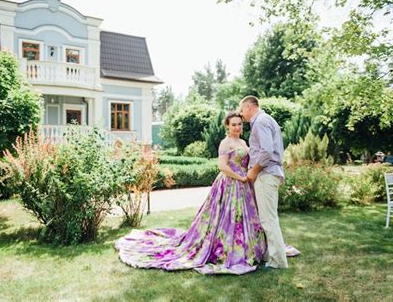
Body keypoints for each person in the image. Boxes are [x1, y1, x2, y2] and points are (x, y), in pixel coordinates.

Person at [115, 112, 268, 275]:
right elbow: (222, 166)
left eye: (239, 124)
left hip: (243, 185)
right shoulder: (225, 143)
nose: (237, 127)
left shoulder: (243, 142)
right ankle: (226, 250)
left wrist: (248, 177)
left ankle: (247, 249)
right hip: (230, 182)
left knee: (243, 216)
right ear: (227, 126)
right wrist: (240, 177)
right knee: (227, 217)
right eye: (234, 124)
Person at [239, 95, 289, 269]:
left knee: (269, 219)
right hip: (268, 175)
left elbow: (267, 151)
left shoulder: (260, 121)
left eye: (242, 109)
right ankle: (272, 256)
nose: (241, 114)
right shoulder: (264, 120)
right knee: (267, 218)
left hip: (265, 175)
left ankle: (278, 261)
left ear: (249, 106)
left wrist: (253, 171)